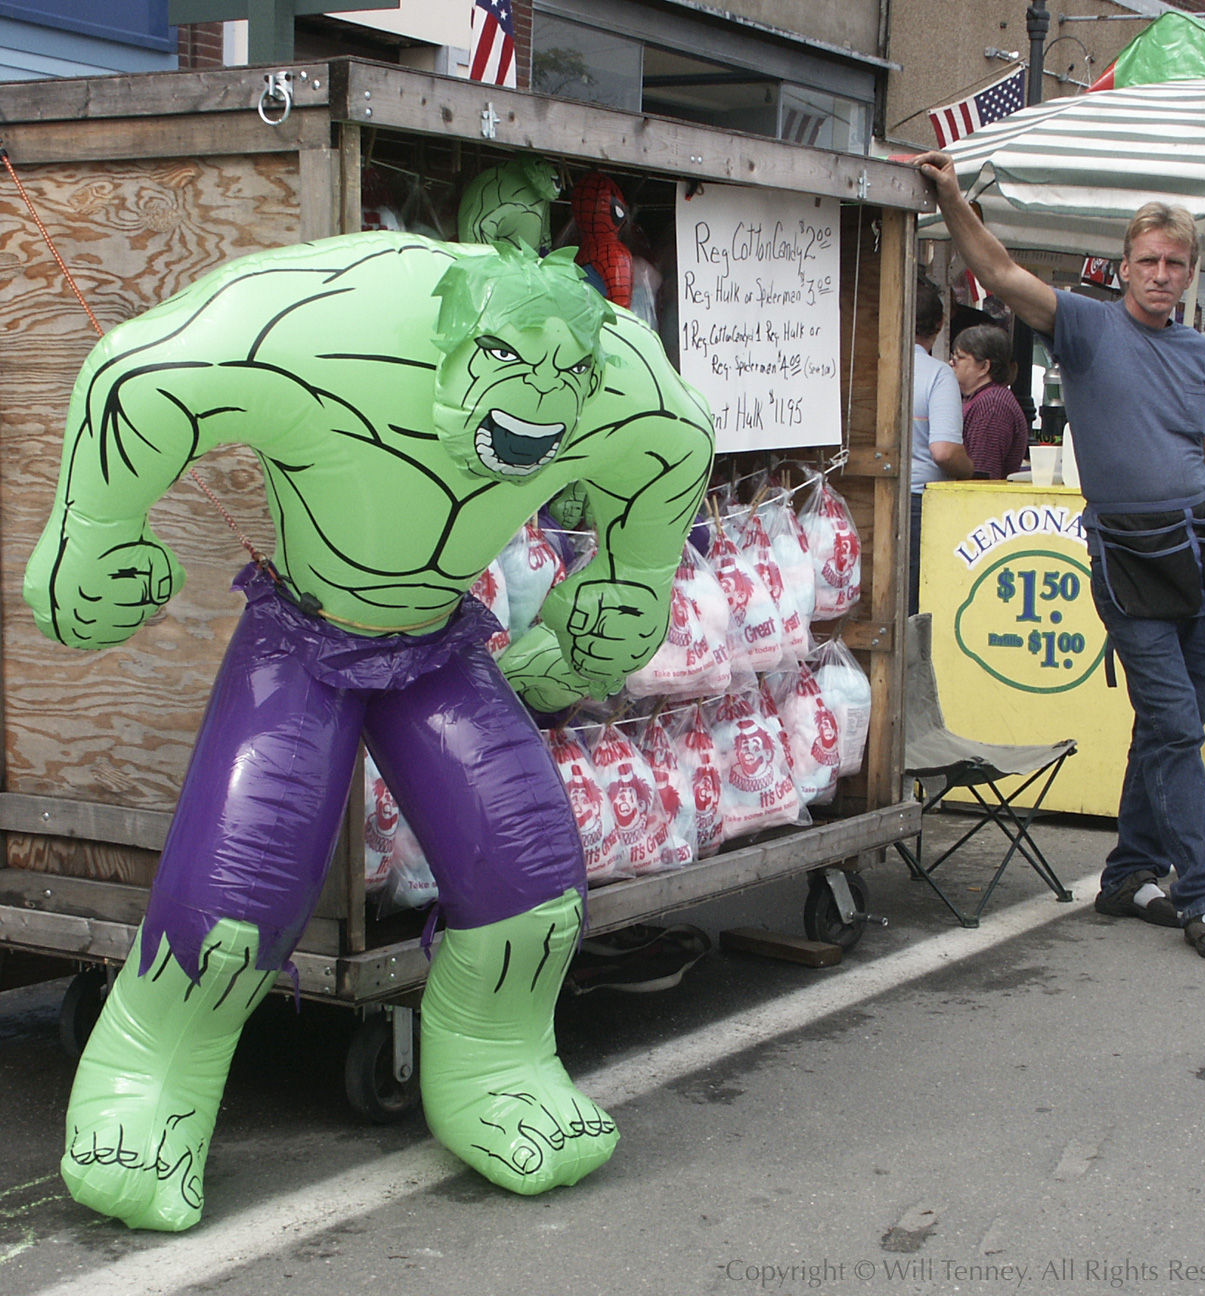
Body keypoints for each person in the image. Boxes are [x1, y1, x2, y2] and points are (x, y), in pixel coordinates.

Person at [24, 233, 714, 1230]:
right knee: (238, 896)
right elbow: (141, 373)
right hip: (299, 638)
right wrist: (91, 540)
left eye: (564, 376)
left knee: (536, 881)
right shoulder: (331, 332)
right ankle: (146, 1084)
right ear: (458, 351)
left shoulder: (615, 383)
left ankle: (499, 1066)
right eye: (510, 366)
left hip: (437, 639)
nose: (539, 396)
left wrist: (629, 585)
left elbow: (676, 444)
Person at [915, 150, 1205, 961]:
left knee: (1169, 728)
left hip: (1202, 553)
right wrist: (955, 199)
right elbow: (998, 271)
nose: (1162, 274)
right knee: (1176, 725)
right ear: (1126, 266)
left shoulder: (1198, 353)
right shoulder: (1089, 325)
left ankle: (1128, 873)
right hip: (1131, 557)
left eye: (1176, 264)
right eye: (1149, 261)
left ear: (1191, 273)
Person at [910, 274, 974, 610]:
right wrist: (970, 469)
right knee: (913, 605)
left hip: (861, 498)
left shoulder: (870, 364)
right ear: (941, 323)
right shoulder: (938, 374)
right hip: (919, 506)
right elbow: (945, 451)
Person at [949, 323, 1029, 479]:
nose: (952, 362)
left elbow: (982, 472)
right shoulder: (984, 400)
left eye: (960, 357)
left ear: (984, 366)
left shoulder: (991, 406)